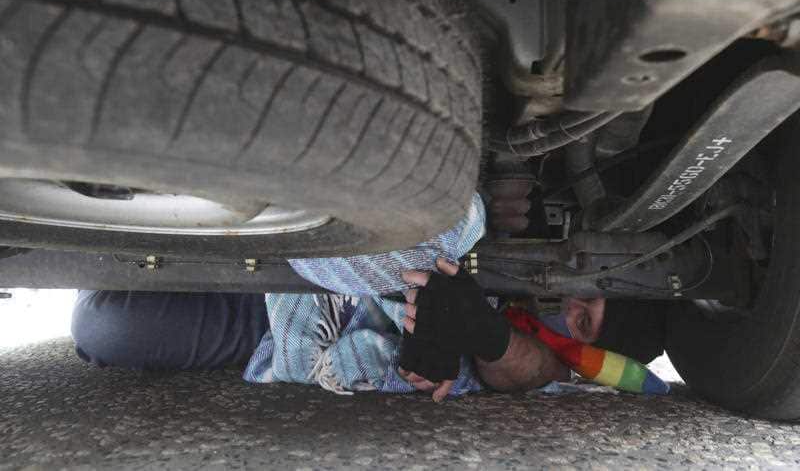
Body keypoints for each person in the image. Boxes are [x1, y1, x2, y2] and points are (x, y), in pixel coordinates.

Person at [71, 193, 616, 402]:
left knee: (104, 329)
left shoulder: (571, 343)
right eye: (588, 302)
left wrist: (484, 333)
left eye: (588, 320)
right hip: (377, 237)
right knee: (450, 219)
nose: (579, 311)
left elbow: (536, 370)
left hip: (280, 320)